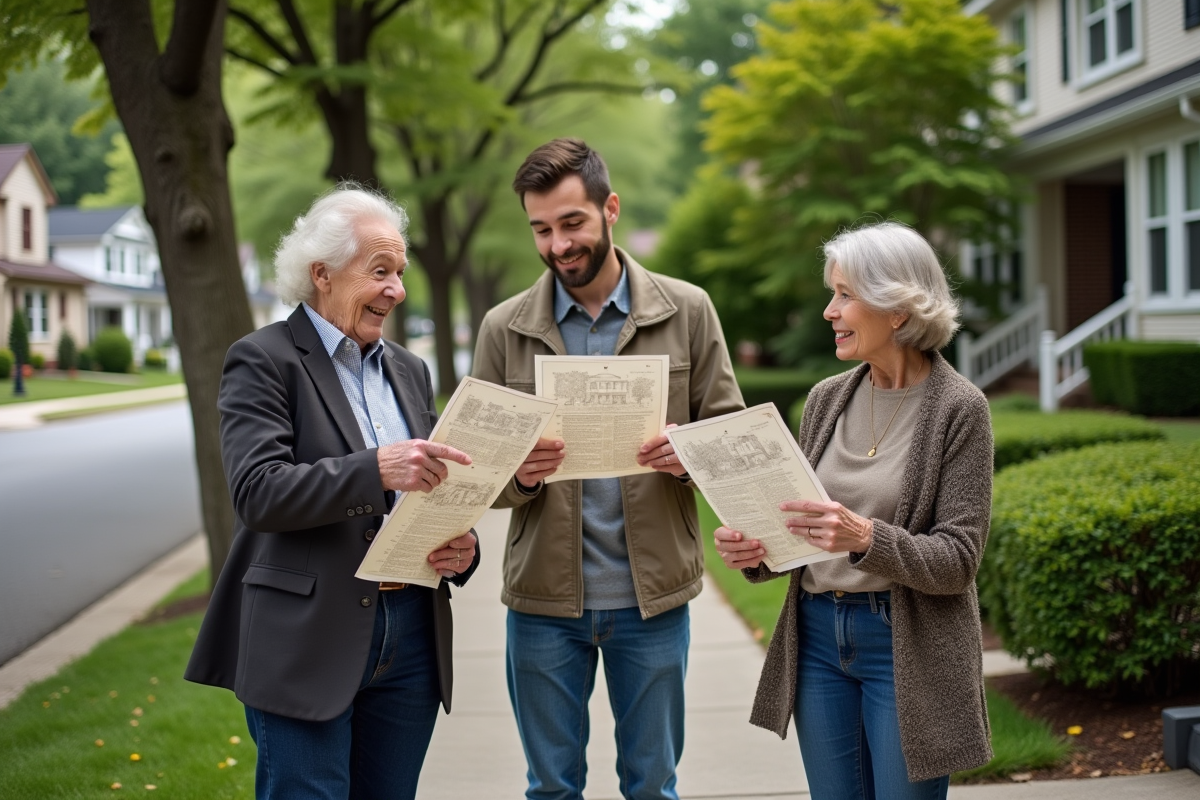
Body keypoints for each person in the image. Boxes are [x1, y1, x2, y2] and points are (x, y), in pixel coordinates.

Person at [185, 184, 480, 800]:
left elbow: (422, 488)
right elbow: (258, 493)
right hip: (305, 637)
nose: (396, 289)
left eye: (399, 272)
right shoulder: (262, 360)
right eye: (380, 271)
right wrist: (374, 469)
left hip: (412, 635)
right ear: (322, 274)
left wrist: (462, 546)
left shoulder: (410, 368)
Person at [471, 138, 744, 800]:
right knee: (552, 789)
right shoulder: (503, 328)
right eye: (541, 229)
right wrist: (523, 474)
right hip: (542, 605)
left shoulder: (688, 309)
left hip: (652, 603)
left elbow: (734, 443)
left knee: (652, 787)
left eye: (571, 224)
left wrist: (692, 454)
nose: (558, 245)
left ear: (610, 208)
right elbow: (476, 475)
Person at [714, 221, 994, 799]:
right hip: (817, 636)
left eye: (845, 295)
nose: (828, 310)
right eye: (831, 293)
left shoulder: (960, 409)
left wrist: (866, 536)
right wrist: (758, 553)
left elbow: (959, 561)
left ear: (897, 309)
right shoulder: (824, 399)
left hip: (904, 641)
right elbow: (805, 529)